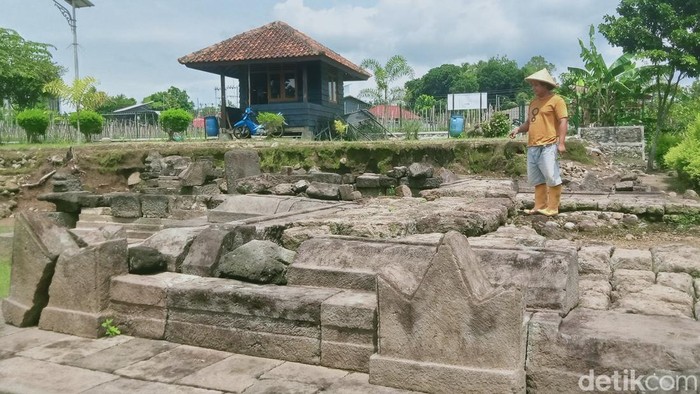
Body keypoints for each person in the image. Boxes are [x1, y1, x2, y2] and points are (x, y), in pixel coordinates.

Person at [509, 68, 568, 216]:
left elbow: (563, 121)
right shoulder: (534, 103)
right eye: (533, 85)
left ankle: (553, 207)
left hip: (548, 144)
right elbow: (529, 123)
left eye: (536, 85)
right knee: (536, 178)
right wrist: (518, 129)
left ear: (545, 85)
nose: (534, 88)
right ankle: (540, 205)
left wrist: (561, 143)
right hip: (533, 145)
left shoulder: (557, 101)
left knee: (550, 173)